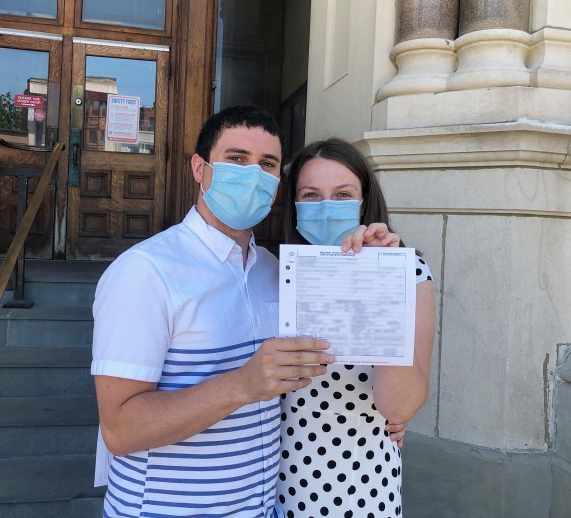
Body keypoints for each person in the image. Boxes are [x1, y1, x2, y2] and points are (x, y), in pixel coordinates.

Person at [91, 106, 387, 517]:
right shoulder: (144, 272)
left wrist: (377, 261)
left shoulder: (275, 271)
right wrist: (244, 385)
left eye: (267, 164)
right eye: (235, 159)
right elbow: (120, 430)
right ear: (200, 168)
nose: (252, 174)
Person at [276, 138, 436, 518]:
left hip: (357, 487)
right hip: (271, 483)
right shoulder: (274, 273)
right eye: (311, 195)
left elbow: (399, 404)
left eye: (343, 193)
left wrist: (379, 282)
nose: (327, 207)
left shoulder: (408, 273)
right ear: (294, 205)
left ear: (364, 200)